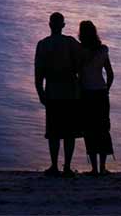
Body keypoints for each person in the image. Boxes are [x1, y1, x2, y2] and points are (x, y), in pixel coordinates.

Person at [34, 12, 81, 177]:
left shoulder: (43, 44)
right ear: (63, 25)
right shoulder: (71, 43)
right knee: (69, 133)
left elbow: (38, 72)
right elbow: (80, 66)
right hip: (70, 92)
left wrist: (40, 92)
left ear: (49, 25)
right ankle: (67, 167)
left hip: (53, 92)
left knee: (53, 132)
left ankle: (54, 165)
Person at [77, 20, 115, 175]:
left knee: (89, 129)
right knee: (103, 128)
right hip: (101, 92)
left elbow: (77, 74)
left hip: (86, 93)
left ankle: (93, 168)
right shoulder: (103, 50)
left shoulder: (79, 51)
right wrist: (107, 89)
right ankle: (103, 167)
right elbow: (110, 74)